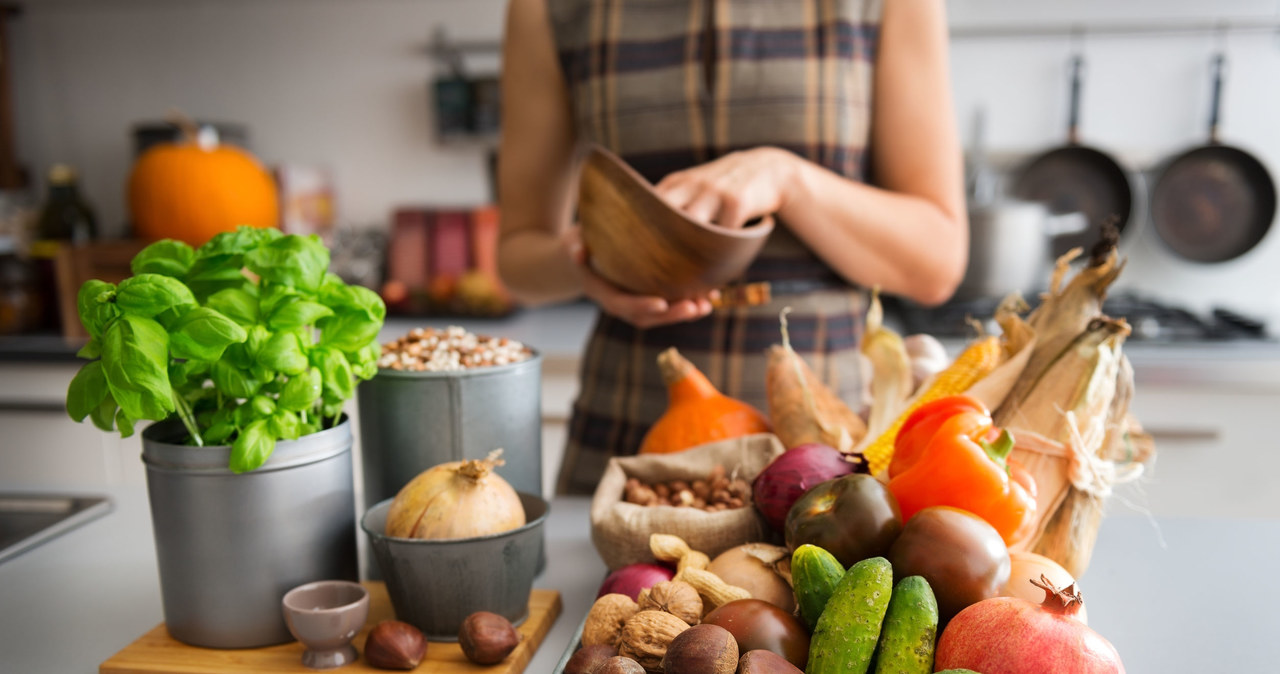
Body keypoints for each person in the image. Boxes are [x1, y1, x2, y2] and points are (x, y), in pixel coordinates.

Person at [497, 0, 967, 494]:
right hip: (628, 440)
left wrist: (787, 178)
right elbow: (518, 260)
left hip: (827, 447)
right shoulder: (545, 8)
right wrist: (584, 261)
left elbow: (936, 262)